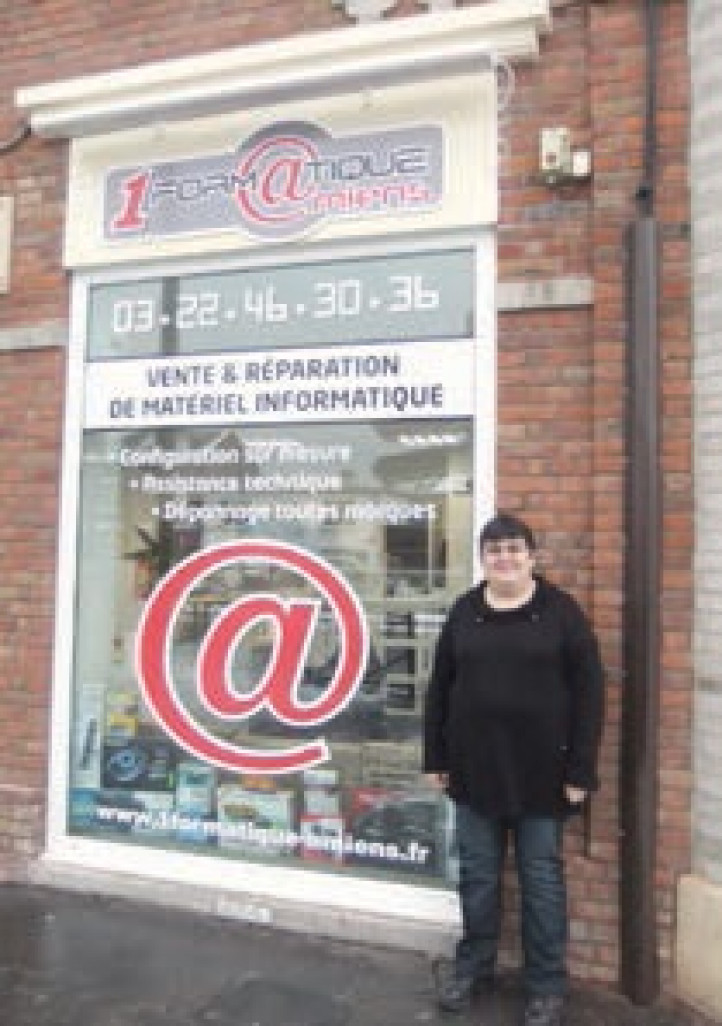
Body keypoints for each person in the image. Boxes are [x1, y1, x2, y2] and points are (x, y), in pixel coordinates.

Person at [423, 513, 604, 1026]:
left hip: (544, 775)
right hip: (473, 770)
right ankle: (473, 968)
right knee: (478, 876)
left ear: (531, 555)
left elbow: (590, 695)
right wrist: (435, 756)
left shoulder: (561, 613)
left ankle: (545, 985)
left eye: (514, 549)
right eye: (494, 550)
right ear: (483, 558)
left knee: (540, 880)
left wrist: (581, 770)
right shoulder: (464, 611)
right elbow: (440, 689)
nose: (504, 558)